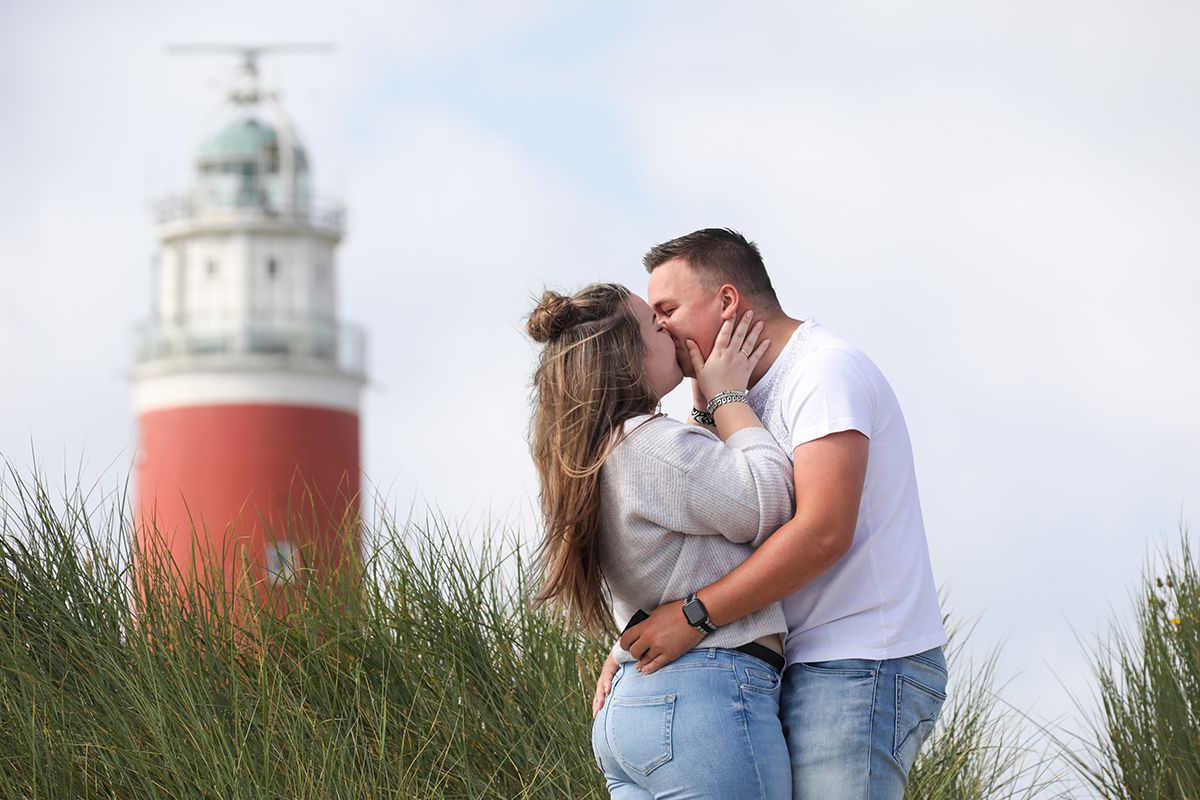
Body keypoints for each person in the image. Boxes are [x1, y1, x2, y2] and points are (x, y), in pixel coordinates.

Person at [610, 228, 949, 799]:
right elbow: (705, 541)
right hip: (796, 664)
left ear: (726, 301)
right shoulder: (730, 395)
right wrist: (629, 643)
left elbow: (822, 532)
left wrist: (692, 618)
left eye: (668, 309)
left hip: (858, 660)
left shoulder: (823, 372)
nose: (660, 327)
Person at [527, 282, 795, 799]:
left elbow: (683, 519)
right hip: (704, 698)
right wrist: (728, 400)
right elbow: (771, 499)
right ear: (627, 352)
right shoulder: (649, 442)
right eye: (655, 323)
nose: (668, 328)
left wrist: (702, 416)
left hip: (634, 713)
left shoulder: (596, 452)